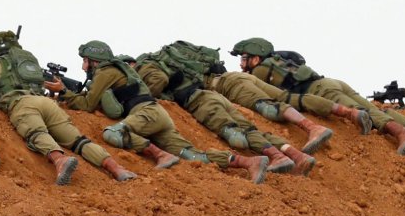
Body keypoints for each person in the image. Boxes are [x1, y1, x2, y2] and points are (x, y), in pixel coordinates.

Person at [44, 39, 269, 183]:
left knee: (111, 133)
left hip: (146, 113)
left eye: (85, 61)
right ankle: (247, 162)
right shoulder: (116, 71)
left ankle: (160, 154)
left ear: (94, 61)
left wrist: (63, 91)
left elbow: (87, 104)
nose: (83, 66)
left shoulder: (106, 71)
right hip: (157, 114)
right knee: (193, 155)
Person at [0, 30, 137, 185]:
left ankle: (60, 160)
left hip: (22, 104)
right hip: (48, 103)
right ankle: (117, 169)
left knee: (36, 133)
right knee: (79, 141)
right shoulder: (31, 62)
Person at [232, 38, 405, 157]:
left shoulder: (260, 71)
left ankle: (401, 132)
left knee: (361, 110)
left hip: (320, 91)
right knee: (371, 108)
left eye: (244, 59)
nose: (242, 64)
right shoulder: (282, 62)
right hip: (332, 82)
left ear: (256, 58)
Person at [132, 43, 317, 175]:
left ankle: (278, 157)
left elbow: (158, 82)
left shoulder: (147, 67)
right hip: (213, 95)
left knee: (236, 135)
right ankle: (296, 155)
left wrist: (154, 95)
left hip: (200, 101)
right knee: (251, 130)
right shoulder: (176, 63)